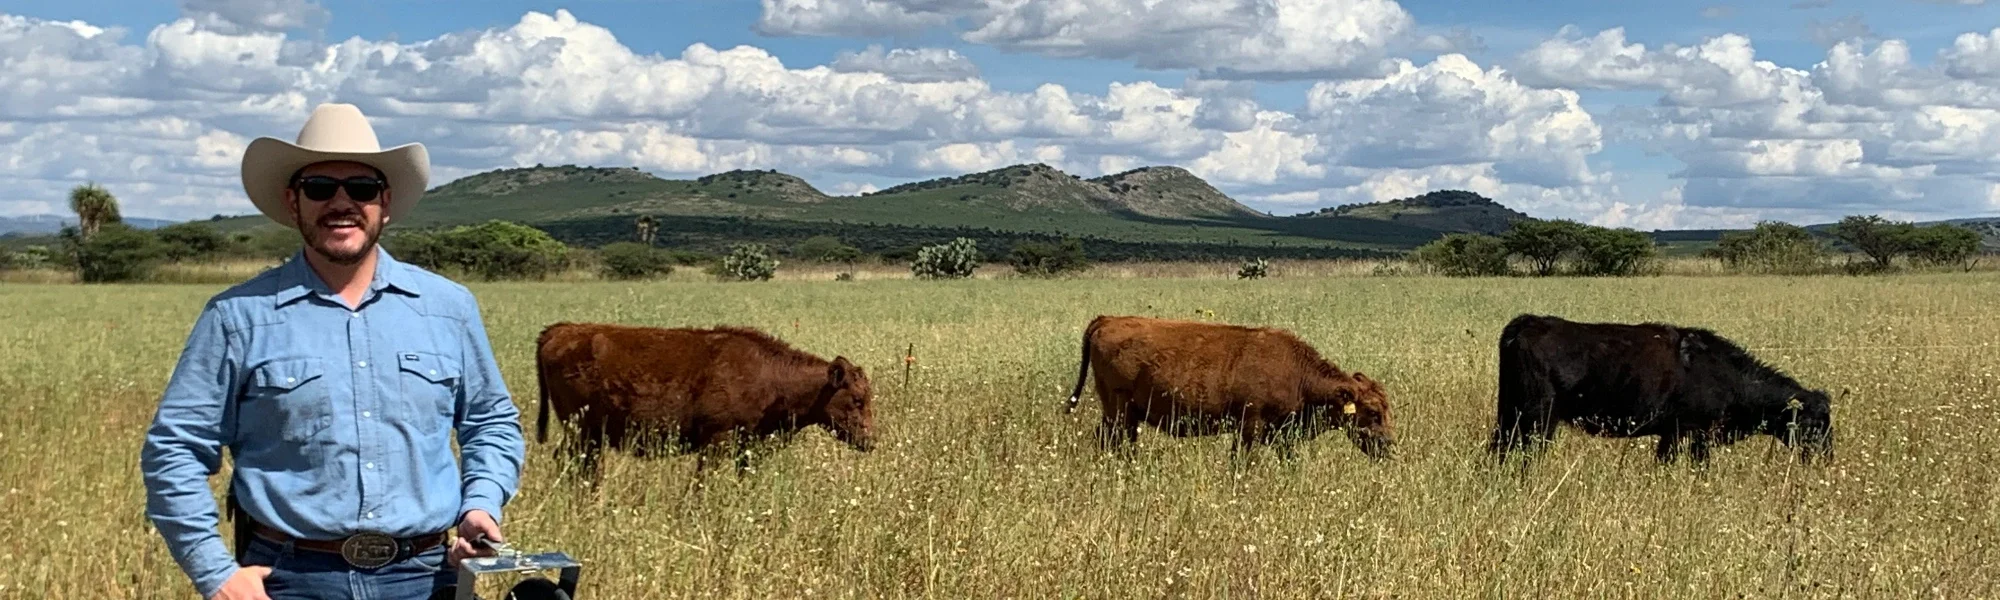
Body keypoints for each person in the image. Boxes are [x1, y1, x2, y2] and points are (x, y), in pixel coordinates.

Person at [140, 103, 527, 600]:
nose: (341, 202)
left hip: (427, 577)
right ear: (293, 201)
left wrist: (481, 506)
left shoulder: (447, 309)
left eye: (361, 189)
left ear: (385, 202)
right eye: (320, 188)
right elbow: (175, 447)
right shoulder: (237, 317)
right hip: (289, 578)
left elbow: (490, 420)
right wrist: (215, 574)